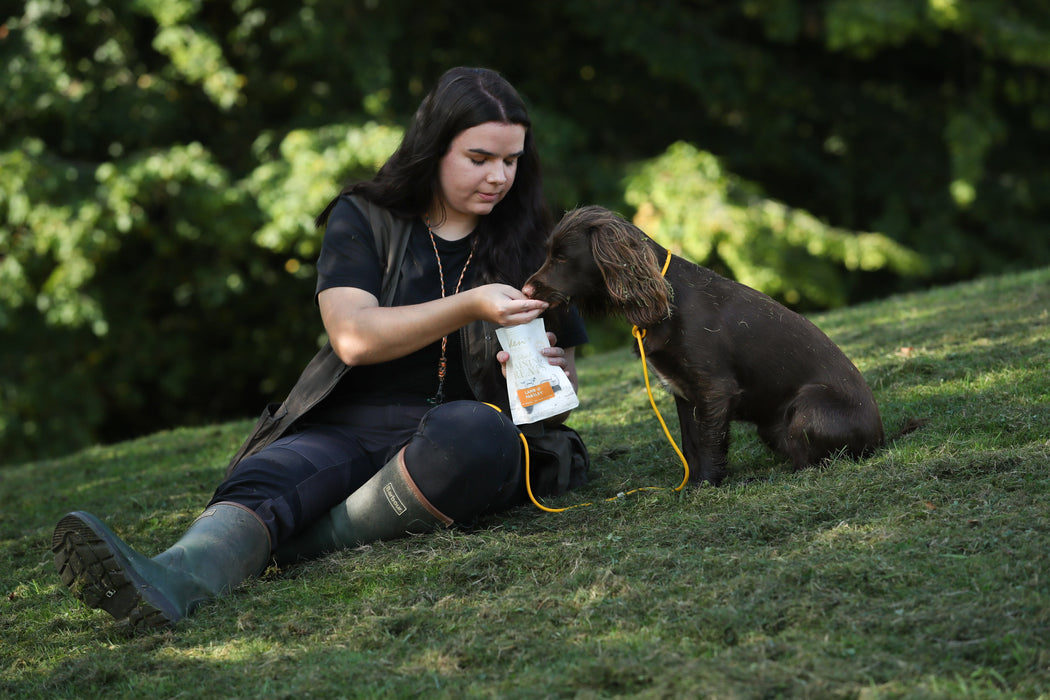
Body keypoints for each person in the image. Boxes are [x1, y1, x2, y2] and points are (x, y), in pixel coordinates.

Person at [51, 67, 589, 631]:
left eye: (512, 160)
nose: (499, 176)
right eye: (479, 159)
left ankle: (298, 544)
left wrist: (547, 380)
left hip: (460, 439)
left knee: (478, 434)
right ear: (433, 150)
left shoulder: (538, 241)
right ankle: (168, 579)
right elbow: (353, 337)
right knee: (271, 474)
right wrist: (469, 306)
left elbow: (565, 393)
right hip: (349, 423)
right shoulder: (364, 216)